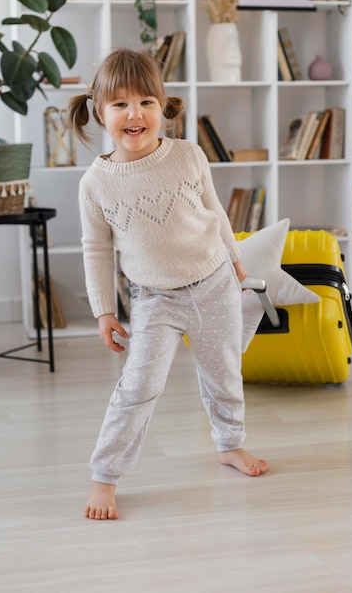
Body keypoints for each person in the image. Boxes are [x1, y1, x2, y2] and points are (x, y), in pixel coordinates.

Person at [68, 48, 269, 521]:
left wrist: (236, 261)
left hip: (214, 282)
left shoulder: (189, 155)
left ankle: (229, 444)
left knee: (223, 371)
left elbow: (215, 210)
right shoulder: (96, 183)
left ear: (163, 107)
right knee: (137, 385)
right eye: (120, 105)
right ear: (99, 111)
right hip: (155, 298)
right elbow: (96, 250)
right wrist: (103, 310)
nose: (134, 114)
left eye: (145, 102)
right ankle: (105, 476)